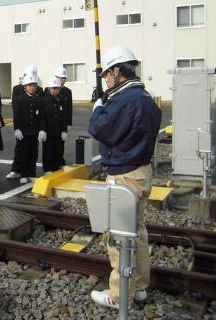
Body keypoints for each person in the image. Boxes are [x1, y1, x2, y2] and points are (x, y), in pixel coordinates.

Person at [88, 46, 161, 309]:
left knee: (118, 237)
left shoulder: (124, 100)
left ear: (117, 71)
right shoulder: (145, 97)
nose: (106, 79)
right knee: (137, 233)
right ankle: (138, 287)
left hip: (124, 176)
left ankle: (119, 296)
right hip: (142, 172)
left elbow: (99, 128)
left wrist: (98, 107)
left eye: (107, 74)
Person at [6, 65, 44, 179]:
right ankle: (18, 170)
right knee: (20, 150)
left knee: (33, 152)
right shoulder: (17, 89)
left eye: (34, 85)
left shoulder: (39, 92)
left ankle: (29, 172)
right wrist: (16, 127)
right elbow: (16, 111)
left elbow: (40, 111)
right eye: (29, 84)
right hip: (22, 126)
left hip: (34, 128)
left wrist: (42, 129)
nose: (32, 87)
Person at [41, 77, 67, 174]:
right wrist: (42, 130)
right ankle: (47, 168)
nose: (55, 90)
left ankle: (55, 167)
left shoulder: (61, 100)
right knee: (48, 151)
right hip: (48, 131)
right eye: (53, 88)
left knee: (58, 150)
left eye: (57, 88)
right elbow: (42, 117)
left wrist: (64, 130)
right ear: (49, 88)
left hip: (58, 131)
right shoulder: (44, 100)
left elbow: (64, 116)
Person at [54, 66, 73, 164]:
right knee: (51, 144)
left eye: (65, 78)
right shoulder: (48, 89)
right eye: (63, 78)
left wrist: (69, 123)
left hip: (63, 123)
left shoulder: (67, 91)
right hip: (52, 123)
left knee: (61, 143)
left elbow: (69, 108)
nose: (64, 80)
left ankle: (60, 162)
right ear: (56, 77)